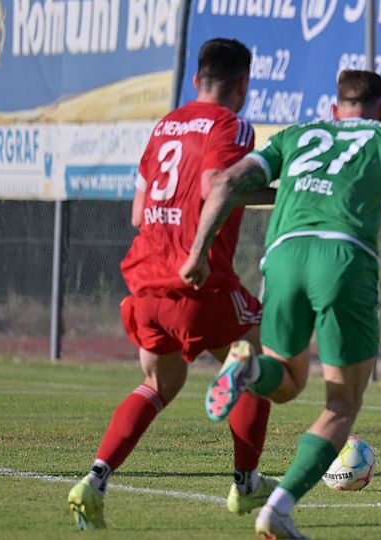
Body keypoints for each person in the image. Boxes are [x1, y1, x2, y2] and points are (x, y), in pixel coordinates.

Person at [179, 69, 381, 539]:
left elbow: (225, 183)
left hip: (283, 257)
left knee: (285, 383)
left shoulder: (296, 136)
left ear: (334, 109)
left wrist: (198, 251)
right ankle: (279, 508)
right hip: (343, 259)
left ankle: (249, 366)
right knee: (342, 402)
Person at [67, 38, 279, 530]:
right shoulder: (232, 125)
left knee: (160, 384)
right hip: (198, 285)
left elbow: (138, 212)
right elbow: (215, 187)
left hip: (146, 288)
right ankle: (246, 482)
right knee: (262, 359)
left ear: (196, 79)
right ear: (243, 84)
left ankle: (94, 480)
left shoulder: (165, 126)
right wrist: (282, 195)